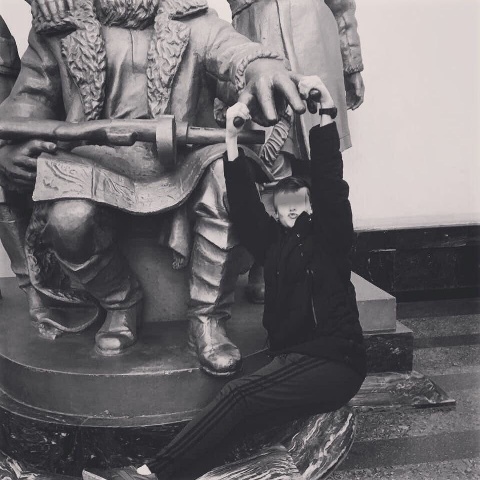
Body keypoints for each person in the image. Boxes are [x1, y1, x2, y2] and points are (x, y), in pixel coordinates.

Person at [0, 0, 315, 375]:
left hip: (181, 159)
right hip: (92, 163)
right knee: (68, 219)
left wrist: (261, 67)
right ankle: (121, 302)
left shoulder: (193, 22)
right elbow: (27, 102)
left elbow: (235, 54)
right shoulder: (58, 30)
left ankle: (207, 319)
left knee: (227, 180)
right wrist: (9, 149)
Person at [82, 76, 366, 480]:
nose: (291, 208)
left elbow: (331, 186)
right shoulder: (271, 245)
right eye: (284, 201)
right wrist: (231, 141)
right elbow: (246, 208)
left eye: (299, 201)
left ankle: (146, 476)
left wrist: (326, 118)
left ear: (310, 206)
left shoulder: (329, 239)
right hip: (296, 361)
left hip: (333, 359)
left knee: (238, 393)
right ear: (276, 208)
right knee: (239, 421)